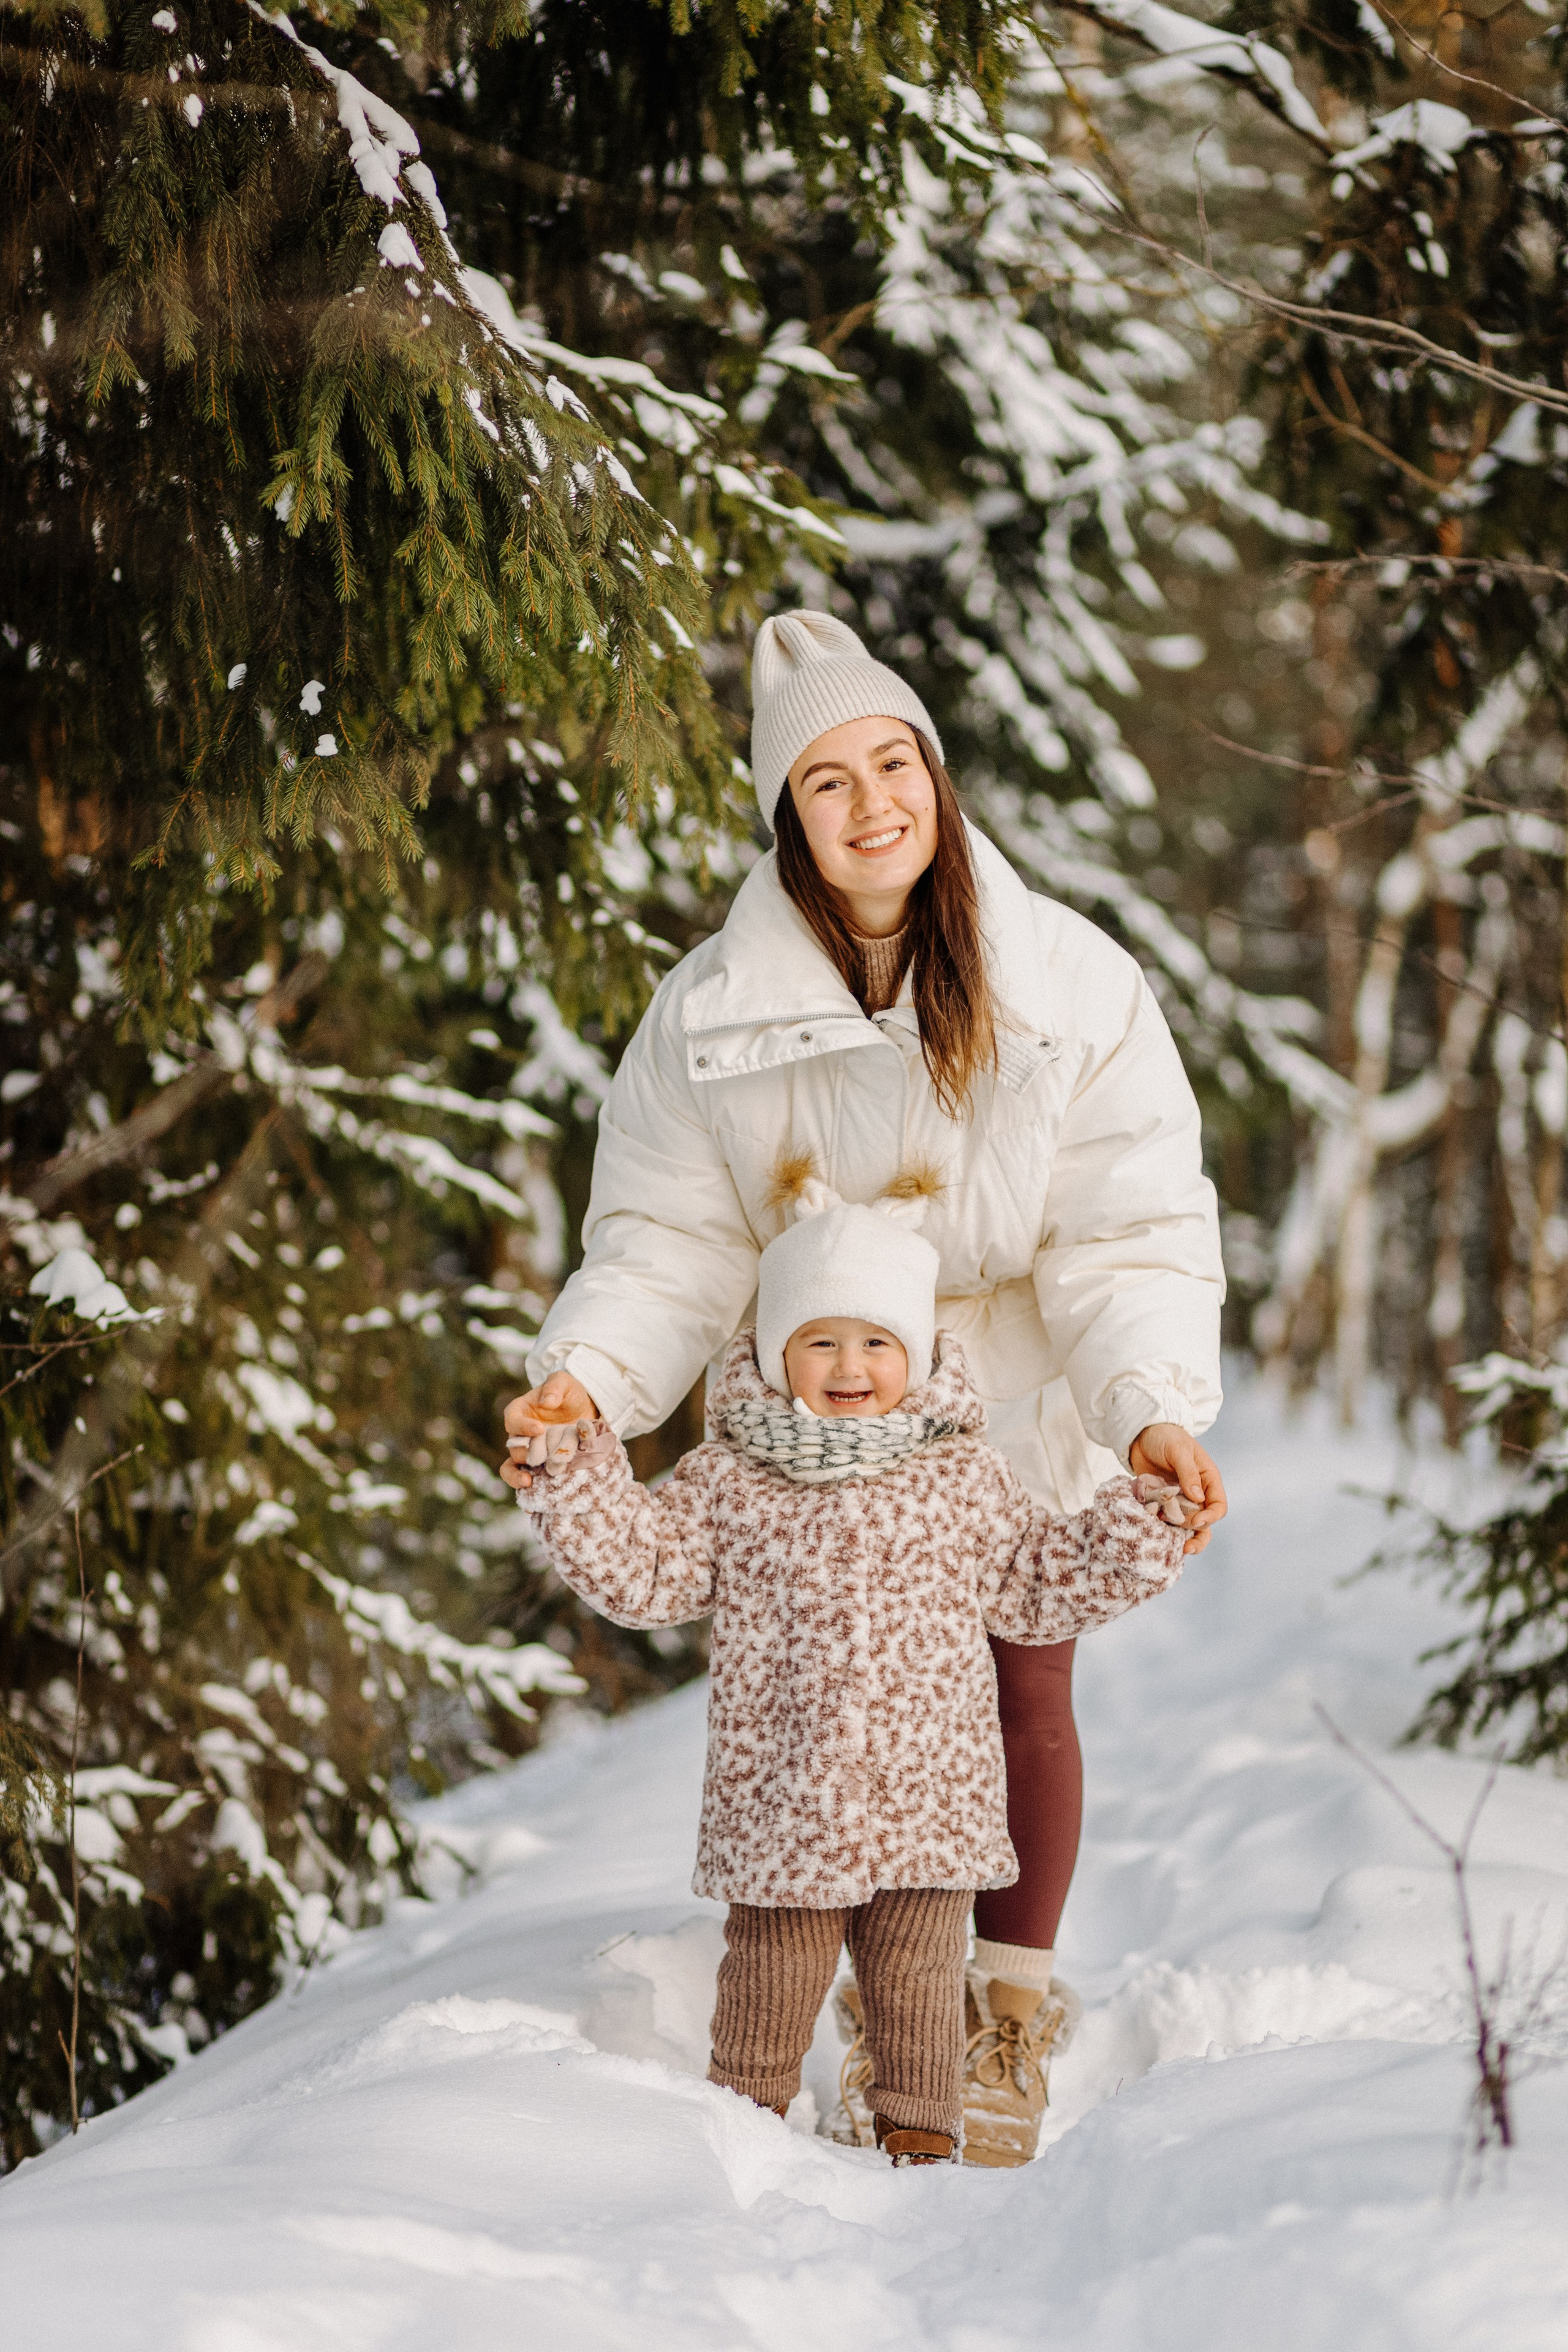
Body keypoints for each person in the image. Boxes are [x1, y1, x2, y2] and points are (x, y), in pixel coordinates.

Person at [500, 609, 1227, 2146]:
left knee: (1021, 1678)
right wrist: (587, 1381)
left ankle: (1003, 2006)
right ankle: (831, 1977)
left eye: (891, 761)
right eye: (825, 781)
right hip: (812, 1396)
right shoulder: (708, 1013)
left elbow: (1129, 1229)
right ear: (788, 818)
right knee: (820, 1690)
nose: (870, 801)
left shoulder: (1067, 985)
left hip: (1014, 1379)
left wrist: (1148, 1405)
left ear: (937, 778)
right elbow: (667, 1240)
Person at [510, 1180, 1194, 2165]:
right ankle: (737, 2131)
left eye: (876, 1342)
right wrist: (574, 1472)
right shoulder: (732, 1478)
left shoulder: (964, 1476)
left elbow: (1038, 1581)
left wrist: (1145, 1520)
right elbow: (648, 1570)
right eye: (820, 1340)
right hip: (784, 1798)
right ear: (777, 1352)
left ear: (915, 1356)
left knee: (919, 1975)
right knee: (771, 1976)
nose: (849, 1365)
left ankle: (921, 2135)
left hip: (930, 1796)